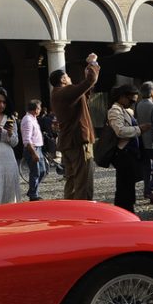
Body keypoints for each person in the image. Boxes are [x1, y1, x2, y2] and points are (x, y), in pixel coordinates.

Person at [51, 53, 101, 201]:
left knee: (72, 180)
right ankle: (83, 213)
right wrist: (93, 63)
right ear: (63, 79)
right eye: (68, 76)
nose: (71, 79)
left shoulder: (57, 94)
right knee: (83, 181)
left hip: (69, 142)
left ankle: (71, 211)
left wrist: (88, 75)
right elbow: (90, 81)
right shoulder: (64, 92)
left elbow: (83, 93)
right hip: (78, 141)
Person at [106, 84, 146, 213]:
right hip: (123, 152)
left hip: (130, 152)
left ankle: (127, 209)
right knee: (124, 186)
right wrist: (139, 129)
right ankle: (124, 210)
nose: (132, 104)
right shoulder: (115, 110)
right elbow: (120, 131)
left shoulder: (124, 109)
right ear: (123, 97)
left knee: (128, 185)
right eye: (131, 101)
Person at [134, 82, 153, 203]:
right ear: (152, 92)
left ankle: (148, 191)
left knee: (147, 168)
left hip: (142, 141)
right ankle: (151, 189)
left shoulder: (138, 105)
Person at [19, 98, 47, 201]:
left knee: (43, 171)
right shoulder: (27, 120)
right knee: (35, 172)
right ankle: (33, 195)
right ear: (35, 109)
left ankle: (32, 190)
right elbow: (27, 139)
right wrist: (33, 153)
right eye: (39, 108)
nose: (40, 110)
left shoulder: (34, 118)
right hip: (32, 148)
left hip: (38, 148)